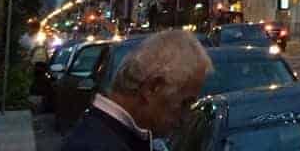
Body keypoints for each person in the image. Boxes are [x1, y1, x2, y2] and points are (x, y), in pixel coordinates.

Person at [61, 29, 212, 151]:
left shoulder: (104, 134)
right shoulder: (99, 144)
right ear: (152, 88)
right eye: (184, 104)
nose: (185, 119)